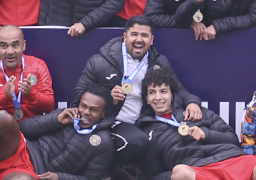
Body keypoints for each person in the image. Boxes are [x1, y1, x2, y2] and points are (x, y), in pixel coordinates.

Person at [73, 16, 205, 169]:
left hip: (145, 121)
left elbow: (178, 89)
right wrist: (108, 97)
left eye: (144, 35)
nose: (139, 39)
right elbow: (80, 94)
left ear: (152, 39)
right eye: (134, 34)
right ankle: (108, 172)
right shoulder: (100, 61)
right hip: (113, 121)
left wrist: (192, 102)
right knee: (137, 141)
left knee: (169, 141)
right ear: (125, 36)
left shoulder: (159, 62)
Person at [20, 87, 118, 180]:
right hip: (24, 151)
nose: (86, 112)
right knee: (8, 122)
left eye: (93, 109)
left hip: (37, 171)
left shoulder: (104, 142)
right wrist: (56, 120)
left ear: (103, 114)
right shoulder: (64, 114)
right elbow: (22, 128)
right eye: (83, 106)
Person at [0, 25, 54, 122]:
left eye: (15, 45)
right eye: (4, 46)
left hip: (33, 125)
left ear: (23, 45)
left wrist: (30, 93)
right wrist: (5, 97)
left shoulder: (38, 66)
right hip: (0, 127)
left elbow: (49, 106)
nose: (10, 51)